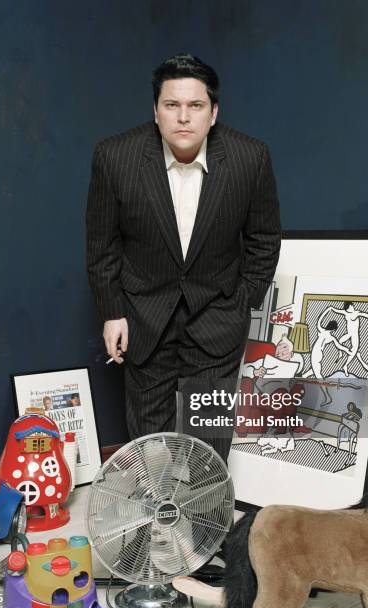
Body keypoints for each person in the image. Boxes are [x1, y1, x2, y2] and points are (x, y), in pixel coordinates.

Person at [86, 54, 281, 463]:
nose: (183, 118)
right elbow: (102, 246)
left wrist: (241, 301)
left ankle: (204, 525)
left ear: (213, 113)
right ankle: (148, 523)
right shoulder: (115, 158)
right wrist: (112, 312)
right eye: (171, 105)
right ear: (155, 111)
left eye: (195, 106)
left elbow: (264, 239)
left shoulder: (250, 159)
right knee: (148, 447)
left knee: (207, 448)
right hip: (144, 315)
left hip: (217, 316)